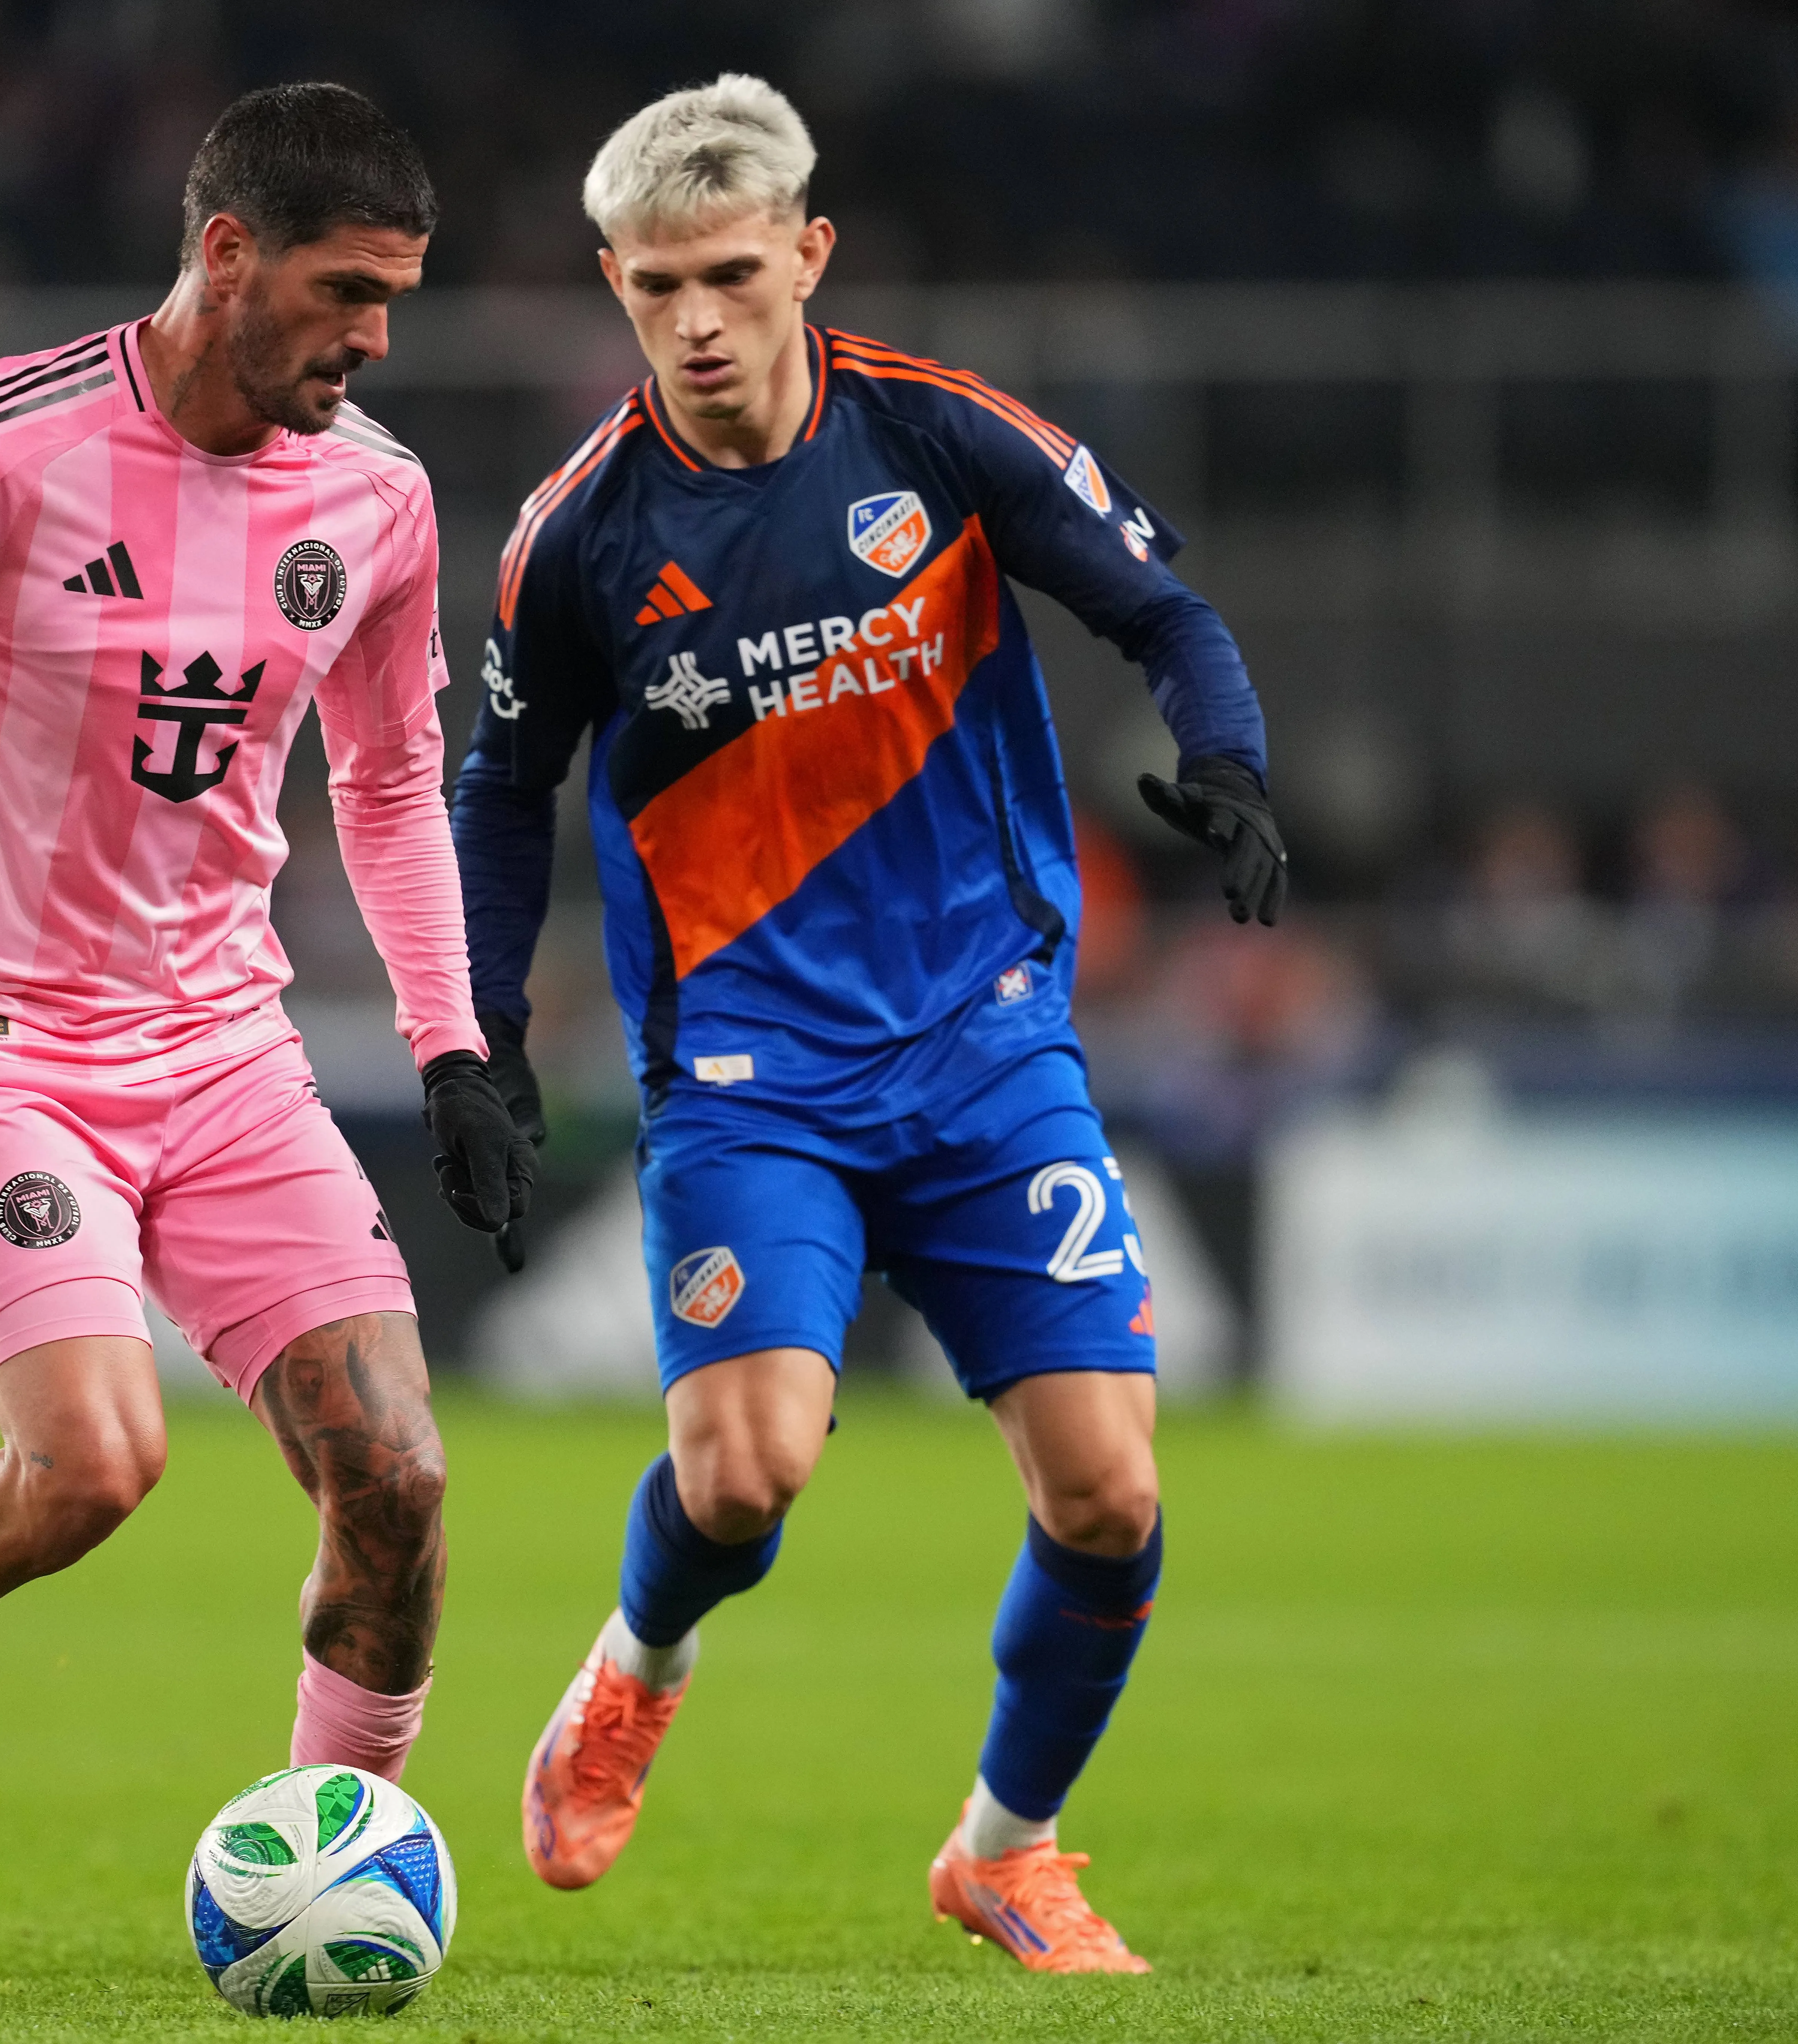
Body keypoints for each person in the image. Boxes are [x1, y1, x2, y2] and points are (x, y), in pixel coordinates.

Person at [0, 83, 529, 1961]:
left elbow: (390, 781)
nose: (377, 340)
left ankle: (332, 1863)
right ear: (227, 255)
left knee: (397, 1476)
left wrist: (454, 1047)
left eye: (395, 298)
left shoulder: (376, 498)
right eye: (348, 291)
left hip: (224, 1050)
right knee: (95, 1460)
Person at [451, 76, 1284, 1975]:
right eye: (656, 285)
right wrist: (479, 1035)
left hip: (990, 1044)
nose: (697, 321)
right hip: (751, 1073)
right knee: (745, 1470)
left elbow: (1167, 614)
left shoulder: (943, 431)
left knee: (1111, 1491)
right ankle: (639, 1660)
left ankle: (1008, 1848)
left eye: (732, 275)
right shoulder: (579, 533)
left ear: (809, 254)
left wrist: (1229, 759)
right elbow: (502, 788)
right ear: (614, 282)